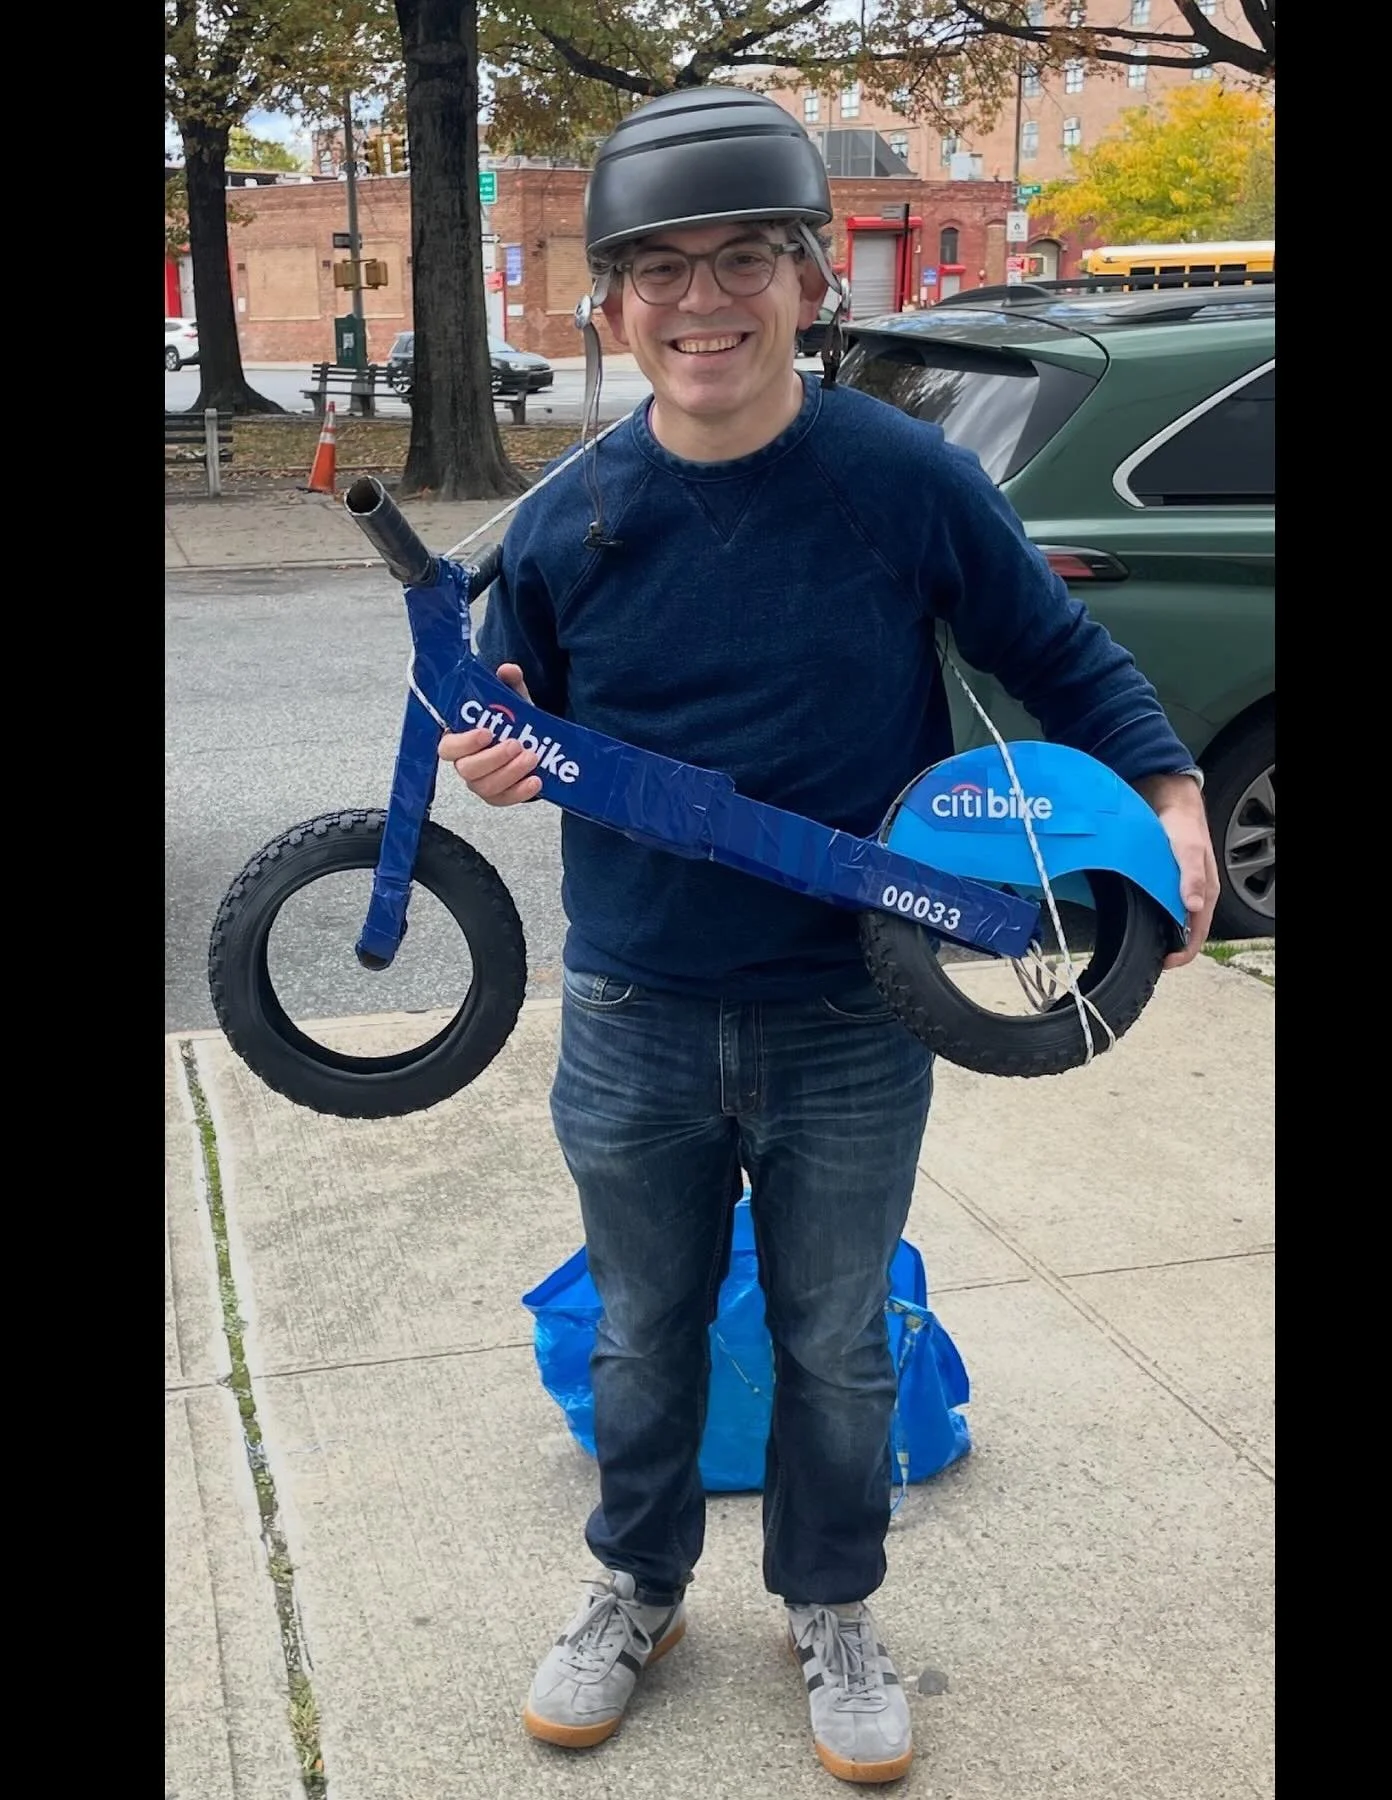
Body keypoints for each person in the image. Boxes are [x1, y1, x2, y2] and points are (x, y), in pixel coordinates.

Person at [439, 86, 1218, 1786]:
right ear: (610, 306)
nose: (699, 300)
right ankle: (636, 1588)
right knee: (645, 1329)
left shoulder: (902, 478)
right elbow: (518, 715)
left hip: (854, 1016)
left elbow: (1061, 660)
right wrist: (489, 754)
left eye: (740, 261)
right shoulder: (569, 517)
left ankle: (833, 1602)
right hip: (636, 1000)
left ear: (808, 282)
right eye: (658, 269)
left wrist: (1166, 796)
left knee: (836, 1337)